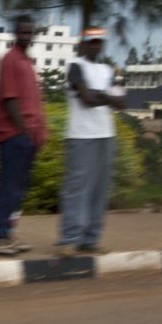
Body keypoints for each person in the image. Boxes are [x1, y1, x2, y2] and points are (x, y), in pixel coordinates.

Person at [55, 27, 124, 257]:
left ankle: (90, 239)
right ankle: (69, 239)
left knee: (99, 190)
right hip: (81, 135)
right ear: (83, 44)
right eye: (91, 42)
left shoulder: (107, 70)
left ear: (102, 45)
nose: (95, 46)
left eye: (98, 42)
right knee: (77, 189)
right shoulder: (75, 67)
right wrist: (106, 96)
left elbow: (122, 101)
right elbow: (86, 99)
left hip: (106, 134)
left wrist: (100, 95)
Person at [0, 14, 47, 256]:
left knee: (19, 190)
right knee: (9, 187)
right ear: (15, 33)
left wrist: (38, 132)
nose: (26, 36)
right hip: (14, 136)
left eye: (29, 32)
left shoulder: (27, 61)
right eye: (22, 32)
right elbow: (10, 98)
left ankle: (10, 234)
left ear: (33, 34)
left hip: (28, 137)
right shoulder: (10, 59)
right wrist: (23, 130)